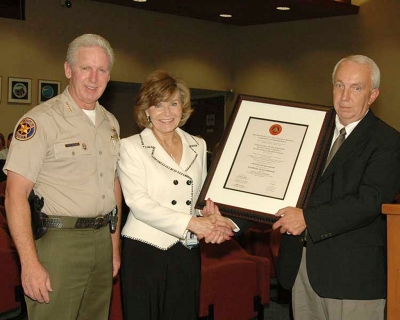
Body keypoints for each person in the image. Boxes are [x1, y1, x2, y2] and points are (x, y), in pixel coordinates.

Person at [272, 55, 400, 320]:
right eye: (339, 85)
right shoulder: (308, 130)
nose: (345, 96)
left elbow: (369, 200)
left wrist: (307, 218)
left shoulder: (388, 141)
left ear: (372, 94)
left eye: (356, 88)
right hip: (302, 267)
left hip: (352, 276)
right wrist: (231, 218)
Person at [4, 34, 122, 320]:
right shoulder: (40, 121)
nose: (94, 78)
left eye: (102, 70)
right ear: (68, 70)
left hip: (101, 241)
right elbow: (14, 195)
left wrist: (114, 247)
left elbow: (113, 184)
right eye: (86, 68)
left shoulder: (111, 122)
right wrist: (29, 263)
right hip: (59, 243)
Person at [117, 70, 237, 320]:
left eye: (173, 103)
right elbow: (139, 203)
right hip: (144, 249)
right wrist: (193, 223)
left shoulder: (198, 144)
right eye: (158, 105)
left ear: (183, 107)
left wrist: (209, 213)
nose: (167, 112)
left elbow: (198, 197)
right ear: (146, 110)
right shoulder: (130, 147)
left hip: (185, 250)